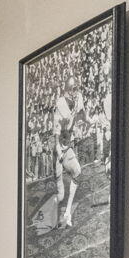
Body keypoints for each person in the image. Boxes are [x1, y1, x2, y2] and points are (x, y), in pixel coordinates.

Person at [52, 96, 82, 230]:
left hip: (67, 150)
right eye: (70, 107)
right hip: (59, 154)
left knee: (77, 172)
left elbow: (72, 125)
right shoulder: (58, 119)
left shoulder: (70, 115)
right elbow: (56, 142)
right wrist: (60, 155)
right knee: (61, 195)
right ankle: (55, 210)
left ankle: (67, 213)